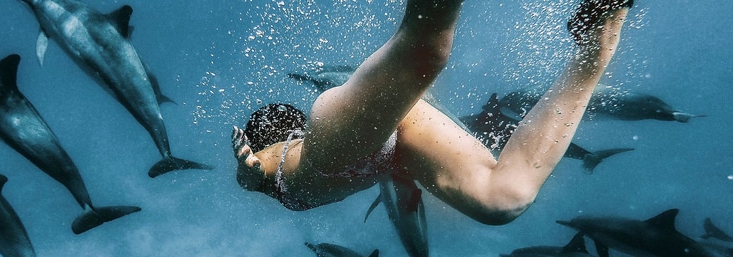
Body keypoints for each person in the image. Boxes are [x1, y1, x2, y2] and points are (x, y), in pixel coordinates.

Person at [232, 0, 632, 224]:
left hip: (335, 150)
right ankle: (594, 49)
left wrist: (249, 171)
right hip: (393, 145)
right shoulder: (274, 171)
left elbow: (259, 171)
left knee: (424, 50)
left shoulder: (272, 170)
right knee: (502, 200)